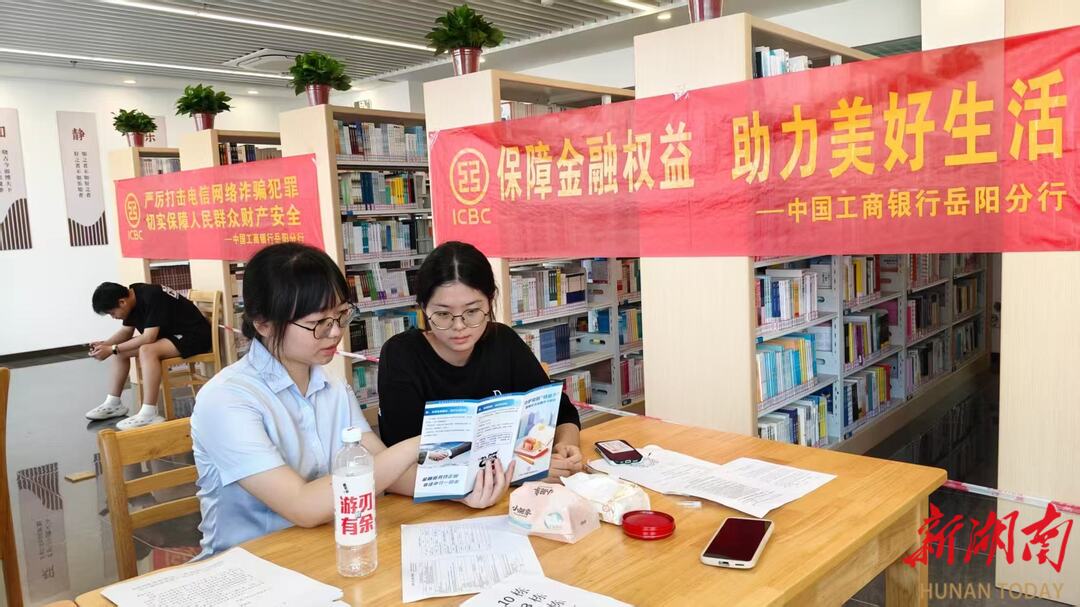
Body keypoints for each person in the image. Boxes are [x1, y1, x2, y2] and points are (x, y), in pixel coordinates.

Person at [189, 243, 512, 557]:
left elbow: (387, 470)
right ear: (263, 324)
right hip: (250, 564)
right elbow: (303, 506)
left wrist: (461, 489)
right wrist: (421, 443)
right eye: (318, 323)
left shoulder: (330, 386)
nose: (335, 333)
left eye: (341, 316)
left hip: (327, 548)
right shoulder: (227, 399)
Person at [378, 241, 584, 478]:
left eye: (472, 312)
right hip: (436, 495)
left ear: (490, 300)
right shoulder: (401, 356)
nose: (459, 326)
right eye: (443, 314)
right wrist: (517, 471)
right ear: (423, 307)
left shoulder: (503, 341)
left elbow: (562, 414)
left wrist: (565, 447)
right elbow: (401, 464)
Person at [87, 281, 212, 429]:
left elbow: (148, 338)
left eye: (112, 313)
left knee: (146, 350)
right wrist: (105, 346)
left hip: (194, 335)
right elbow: (126, 332)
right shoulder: (132, 296)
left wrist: (112, 348)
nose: (113, 317)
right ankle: (113, 403)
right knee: (121, 352)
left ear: (122, 302)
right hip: (172, 335)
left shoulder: (152, 295)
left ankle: (149, 412)